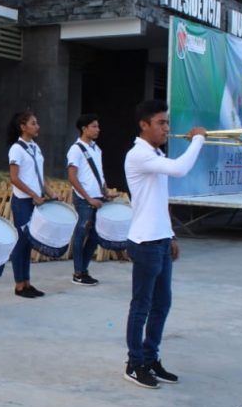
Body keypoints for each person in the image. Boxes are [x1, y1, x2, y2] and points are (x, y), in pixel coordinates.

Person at [123, 100, 206, 389]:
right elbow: (180, 169)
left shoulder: (155, 154)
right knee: (141, 306)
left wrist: (171, 235)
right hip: (145, 241)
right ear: (144, 125)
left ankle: (150, 358)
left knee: (162, 304)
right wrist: (198, 140)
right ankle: (134, 364)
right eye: (160, 123)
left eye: (167, 123)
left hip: (159, 239)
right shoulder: (138, 155)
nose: (166, 128)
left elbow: (160, 202)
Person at [66, 114, 117, 287]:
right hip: (84, 199)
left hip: (97, 197)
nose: (98, 129)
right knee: (81, 234)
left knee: (96, 235)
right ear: (84, 128)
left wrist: (105, 192)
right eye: (94, 126)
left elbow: (98, 174)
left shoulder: (96, 148)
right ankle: (78, 273)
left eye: (98, 126)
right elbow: (72, 177)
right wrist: (88, 198)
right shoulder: (76, 149)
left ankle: (84, 269)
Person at [6, 111, 53, 299]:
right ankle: (19, 284)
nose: (37, 126)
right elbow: (14, 178)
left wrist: (50, 192)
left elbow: (39, 176)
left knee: (29, 242)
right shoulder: (16, 149)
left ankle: (27, 282)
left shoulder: (35, 147)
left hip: (36, 200)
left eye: (37, 123)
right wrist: (33, 194)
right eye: (33, 123)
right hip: (23, 201)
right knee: (22, 241)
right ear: (23, 127)